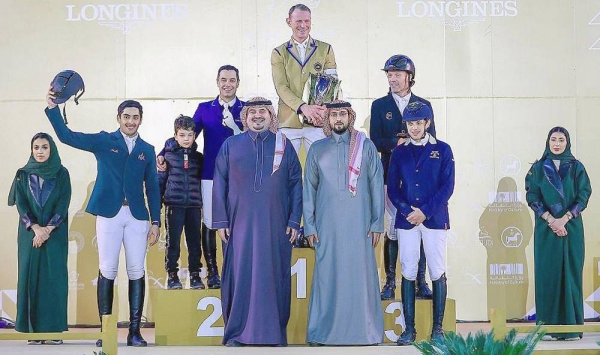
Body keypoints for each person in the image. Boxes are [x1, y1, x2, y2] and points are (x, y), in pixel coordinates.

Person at [45, 92, 161, 347]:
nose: (131, 121)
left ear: (141, 120)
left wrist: (155, 222)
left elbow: (153, 187)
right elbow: (67, 137)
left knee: (136, 271)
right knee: (107, 270)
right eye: (126, 117)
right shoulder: (103, 140)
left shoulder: (147, 150)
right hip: (109, 214)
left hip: (137, 217)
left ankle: (134, 332)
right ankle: (106, 331)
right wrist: (53, 108)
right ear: (118, 118)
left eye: (135, 117)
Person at [213, 97, 302, 346]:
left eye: (263, 111)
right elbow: (219, 183)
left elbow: (296, 183)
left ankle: (273, 333)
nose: (258, 116)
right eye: (253, 112)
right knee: (240, 274)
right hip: (238, 226)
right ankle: (237, 333)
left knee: (273, 275)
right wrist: (221, 221)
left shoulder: (283, 145)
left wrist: (295, 220)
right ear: (246, 117)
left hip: (276, 226)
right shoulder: (230, 145)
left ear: (271, 115)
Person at [303, 100, 384, 345]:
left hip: (360, 225)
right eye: (334, 114)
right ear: (327, 119)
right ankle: (321, 333)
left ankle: (365, 333)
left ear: (350, 117)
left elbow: (376, 186)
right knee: (328, 277)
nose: (338, 118)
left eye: (342, 114)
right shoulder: (317, 149)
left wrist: (377, 222)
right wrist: (309, 225)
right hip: (326, 227)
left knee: (360, 277)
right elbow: (309, 190)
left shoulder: (366, 147)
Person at [157, 64, 244, 289]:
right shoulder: (205, 108)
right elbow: (184, 133)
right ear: (217, 81)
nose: (227, 84)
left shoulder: (246, 110)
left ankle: (235, 269)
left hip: (240, 176)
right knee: (211, 223)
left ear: (238, 83)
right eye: (223, 79)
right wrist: (162, 152)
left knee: (239, 223)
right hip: (210, 174)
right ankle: (212, 272)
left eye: (232, 80)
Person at [387, 101, 454, 345]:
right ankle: (409, 330)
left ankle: (438, 329)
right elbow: (393, 189)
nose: (414, 128)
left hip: (434, 219)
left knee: (437, 269)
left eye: (418, 123)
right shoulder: (399, 152)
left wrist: (424, 212)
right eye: (410, 123)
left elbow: (447, 188)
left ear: (427, 123)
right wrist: (407, 211)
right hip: (407, 221)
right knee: (408, 269)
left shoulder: (444, 150)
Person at [370, 54, 436, 300]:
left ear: (410, 77)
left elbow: (433, 140)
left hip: (418, 178)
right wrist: (398, 142)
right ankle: (389, 282)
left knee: (418, 226)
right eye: (389, 75)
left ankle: (421, 280)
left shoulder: (423, 104)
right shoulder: (379, 105)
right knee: (392, 230)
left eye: (397, 74)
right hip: (390, 174)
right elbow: (375, 139)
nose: (392, 79)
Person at [525, 126, 592, 341]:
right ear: (548, 142)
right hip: (547, 230)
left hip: (571, 228)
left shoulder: (576, 167)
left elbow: (584, 194)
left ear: (567, 142)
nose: (557, 143)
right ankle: (548, 329)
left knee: (571, 274)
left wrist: (565, 218)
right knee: (548, 275)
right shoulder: (537, 168)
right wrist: (551, 219)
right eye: (553, 139)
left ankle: (571, 328)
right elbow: (532, 196)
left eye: (561, 140)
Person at [8, 133, 71, 345]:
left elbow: (63, 203)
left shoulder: (62, 173)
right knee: (30, 278)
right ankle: (32, 331)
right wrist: (36, 228)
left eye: (45, 147)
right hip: (29, 234)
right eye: (36, 147)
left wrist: (48, 229)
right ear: (32, 149)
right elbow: (22, 205)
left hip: (55, 233)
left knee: (54, 280)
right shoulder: (22, 175)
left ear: (51, 149)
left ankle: (53, 331)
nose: (40, 151)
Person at [271, 3, 337, 155]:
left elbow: (331, 85)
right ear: (289, 22)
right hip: (288, 121)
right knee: (284, 171)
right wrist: (303, 107)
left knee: (321, 170)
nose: (303, 25)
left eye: (307, 21)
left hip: (317, 122)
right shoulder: (278, 52)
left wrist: (320, 112)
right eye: (298, 21)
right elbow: (281, 87)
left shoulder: (325, 49)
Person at [158, 115, 204, 290]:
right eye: (182, 135)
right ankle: (172, 276)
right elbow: (161, 181)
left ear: (194, 136)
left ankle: (195, 275)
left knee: (194, 243)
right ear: (175, 136)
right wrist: (158, 206)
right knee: (173, 243)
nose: (186, 139)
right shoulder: (167, 157)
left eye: (190, 135)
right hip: (174, 206)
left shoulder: (199, 158)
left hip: (193, 206)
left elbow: (202, 182)